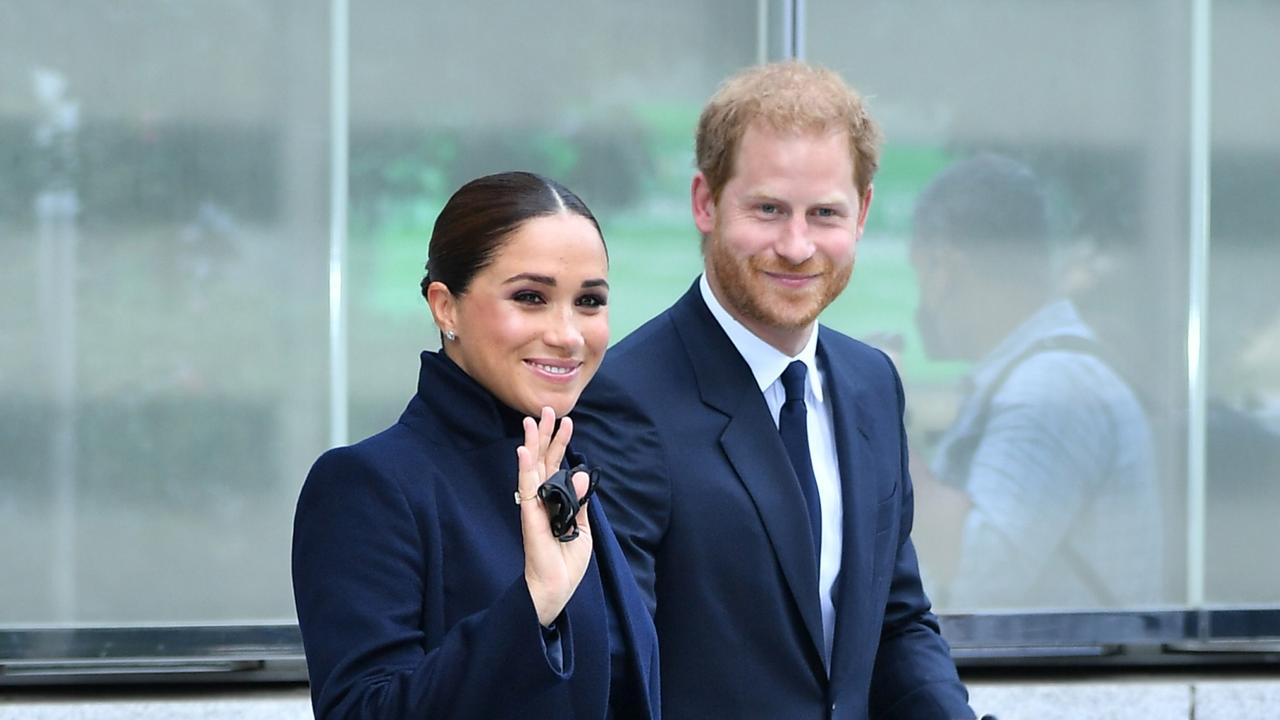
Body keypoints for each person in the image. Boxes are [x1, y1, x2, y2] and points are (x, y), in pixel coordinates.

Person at [573, 62, 975, 719]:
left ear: (864, 213)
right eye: (768, 210)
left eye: (824, 214)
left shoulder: (872, 385)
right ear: (705, 202)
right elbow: (616, 668)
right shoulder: (622, 399)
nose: (796, 246)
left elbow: (897, 625)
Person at [292, 171, 660, 719]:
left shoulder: (578, 467)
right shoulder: (368, 485)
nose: (568, 333)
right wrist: (532, 605)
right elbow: (361, 711)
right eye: (530, 297)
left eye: (589, 301)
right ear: (446, 307)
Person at [908, 154, 1163, 609]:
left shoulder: (1049, 387)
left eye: (920, 274)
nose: (921, 298)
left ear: (946, 268)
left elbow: (977, 572)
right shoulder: (1037, 374)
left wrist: (873, 418)